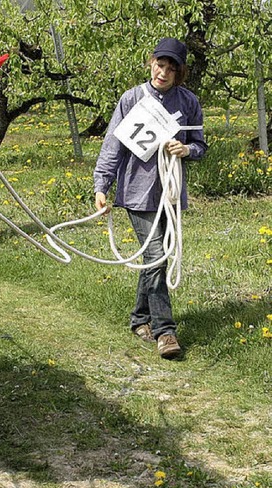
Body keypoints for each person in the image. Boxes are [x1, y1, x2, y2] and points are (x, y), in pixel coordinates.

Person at [93, 37, 208, 359]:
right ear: (151, 63)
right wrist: (102, 185)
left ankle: (140, 319)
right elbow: (113, 145)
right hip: (136, 192)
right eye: (160, 64)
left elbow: (200, 145)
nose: (164, 72)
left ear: (179, 72)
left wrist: (186, 149)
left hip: (169, 194)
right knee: (156, 254)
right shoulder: (132, 99)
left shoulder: (187, 102)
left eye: (172, 68)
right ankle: (165, 331)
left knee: (155, 258)